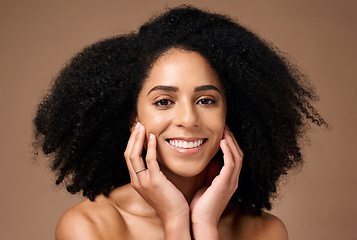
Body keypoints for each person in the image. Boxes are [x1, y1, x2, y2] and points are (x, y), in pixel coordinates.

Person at [33, 6, 326, 240]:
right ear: (132, 117)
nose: (188, 119)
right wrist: (175, 221)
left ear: (230, 112)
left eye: (206, 100)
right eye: (163, 101)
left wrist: (204, 226)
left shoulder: (264, 232)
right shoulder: (90, 228)